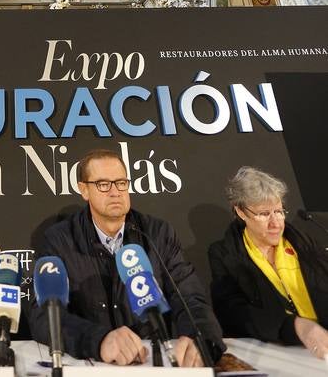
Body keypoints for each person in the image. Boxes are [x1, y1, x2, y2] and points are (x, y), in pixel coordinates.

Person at [29, 148, 224, 367]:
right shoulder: (60, 239)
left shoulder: (157, 233)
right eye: (103, 184)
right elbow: (43, 316)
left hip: (151, 360)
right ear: (84, 190)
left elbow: (190, 297)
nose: (115, 192)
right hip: (94, 364)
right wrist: (99, 340)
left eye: (121, 182)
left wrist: (199, 338)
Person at [208, 166, 328, 359]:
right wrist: (294, 326)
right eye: (264, 214)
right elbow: (232, 313)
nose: (276, 223)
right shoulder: (224, 253)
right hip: (275, 353)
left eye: (279, 211)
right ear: (241, 212)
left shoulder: (305, 244)